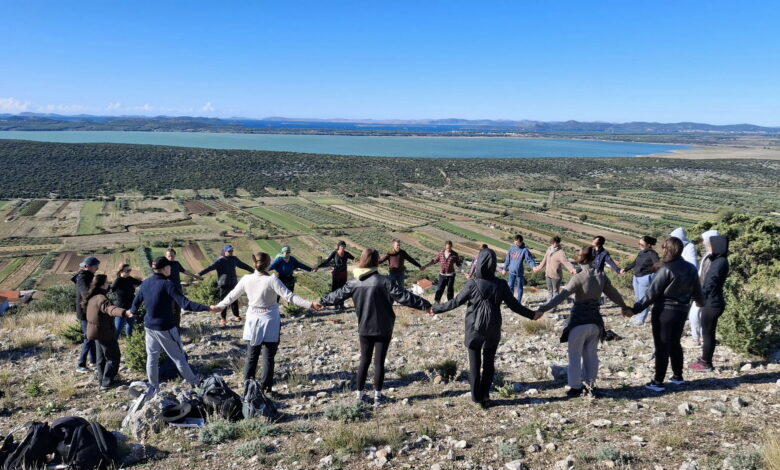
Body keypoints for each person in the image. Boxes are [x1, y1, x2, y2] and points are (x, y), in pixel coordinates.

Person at [320, 248, 431, 406]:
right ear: (376, 262)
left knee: (364, 361)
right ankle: (378, 397)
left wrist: (322, 302)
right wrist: (426, 305)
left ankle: (360, 396)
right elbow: (404, 297)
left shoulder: (354, 282)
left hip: (364, 327)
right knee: (379, 362)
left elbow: (337, 295)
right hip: (383, 327)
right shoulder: (385, 281)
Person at [431, 248, 536, 408]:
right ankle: (485, 396)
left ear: (479, 263)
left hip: (473, 329)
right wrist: (532, 315)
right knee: (488, 364)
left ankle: (476, 396)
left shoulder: (472, 284)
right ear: (493, 264)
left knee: (474, 365)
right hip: (493, 329)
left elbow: (455, 302)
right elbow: (515, 306)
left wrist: (435, 309)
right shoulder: (501, 284)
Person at [211, 252, 323, 395]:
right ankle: (266, 389)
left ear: (254, 264)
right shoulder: (272, 280)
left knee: (251, 355)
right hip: (270, 321)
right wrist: (310, 304)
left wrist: (219, 306)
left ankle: (248, 388)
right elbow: (290, 297)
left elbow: (232, 295)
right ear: (268, 265)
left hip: (253, 320)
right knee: (268, 357)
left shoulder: (246, 279)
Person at [534, 246, 631, 397]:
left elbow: (562, 296)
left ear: (580, 259)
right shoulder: (601, 275)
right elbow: (613, 293)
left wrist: (543, 309)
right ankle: (590, 384)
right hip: (596, 321)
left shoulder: (579, 277)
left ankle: (575, 387)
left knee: (574, 356)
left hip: (579, 320)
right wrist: (624, 307)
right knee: (591, 355)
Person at [625, 237, 703, 392]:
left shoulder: (666, 268)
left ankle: (658, 381)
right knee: (675, 343)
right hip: (682, 311)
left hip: (664, 311)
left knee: (661, 346)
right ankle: (678, 377)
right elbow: (697, 291)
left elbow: (651, 294)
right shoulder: (691, 268)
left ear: (667, 249)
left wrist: (634, 310)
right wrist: (701, 303)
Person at [131, 257, 211, 393]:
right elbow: (185, 304)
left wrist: (131, 311)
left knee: (152, 357)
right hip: (165, 328)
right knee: (179, 357)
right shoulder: (167, 284)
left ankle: (153, 387)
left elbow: (136, 301)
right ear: (165, 268)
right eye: (169, 267)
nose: (171, 270)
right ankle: (196, 383)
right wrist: (208, 308)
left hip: (149, 326)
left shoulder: (146, 282)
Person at [84, 274, 133, 390]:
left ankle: (102, 381)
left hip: (95, 331)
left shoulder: (92, 297)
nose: (109, 284)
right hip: (104, 332)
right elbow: (109, 309)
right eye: (107, 282)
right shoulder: (101, 298)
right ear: (102, 285)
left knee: (101, 359)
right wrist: (124, 312)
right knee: (114, 357)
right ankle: (107, 382)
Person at [690, 234, 729, 372]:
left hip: (711, 303)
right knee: (708, 333)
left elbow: (711, 281)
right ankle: (705, 359)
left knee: (707, 334)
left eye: (710, 245)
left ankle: (706, 363)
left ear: (717, 246)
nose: (708, 247)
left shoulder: (719, 262)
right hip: (713, 301)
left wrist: (701, 298)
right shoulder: (719, 260)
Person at [198, 245, 254, 326]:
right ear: (224, 251)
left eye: (232, 251)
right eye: (229, 251)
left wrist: (254, 271)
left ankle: (237, 316)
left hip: (233, 282)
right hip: (224, 283)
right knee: (223, 301)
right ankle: (223, 318)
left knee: (234, 299)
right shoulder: (220, 260)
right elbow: (210, 268)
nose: (231, 252)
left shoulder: (234, 259)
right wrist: (200, 273)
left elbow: (243, 265)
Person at [621, 236, 660, 326]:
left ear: (649, 245)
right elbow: (635, 262)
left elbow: (658, 265)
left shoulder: (653, 254)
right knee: (638, 298)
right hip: (636, 277)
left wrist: (653, 274)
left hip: (645, 278)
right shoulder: (641, 252)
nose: (640, 245)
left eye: (642, 244)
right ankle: (639, 316)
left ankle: (641, 320)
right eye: (639, 244)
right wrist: (626, 269)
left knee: (643, 299)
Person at [73, 256, 100, 373]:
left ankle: (93, 361)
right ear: (88, 266)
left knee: (92, 337)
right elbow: (85, 294)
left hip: (88, 311)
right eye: (95, 266)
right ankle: (80, 364)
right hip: (85, 312)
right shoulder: (83, 278)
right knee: (89, 337)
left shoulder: (87, 276)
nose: (97, 268)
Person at [165, 248, 202, 328]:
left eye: (172, 256)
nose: (170, 257)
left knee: (178, 309)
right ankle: (170, 328)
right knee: (170, 310)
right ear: (166, 256)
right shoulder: (164, 265)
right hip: (168, 291)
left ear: (175, 255)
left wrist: (194, 276)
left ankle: (177, 327)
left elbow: (184, 271)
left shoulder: (177, 263)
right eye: (169, 256)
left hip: (178, 289)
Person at [533, 236, 577, 302]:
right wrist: (538, 268)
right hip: (548, 274)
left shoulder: (561, 252)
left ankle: (554, 305)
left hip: (556, 276)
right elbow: (544, 260)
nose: (553, 244)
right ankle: (548, 305)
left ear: (558, 243)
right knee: (549, 291)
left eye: (554, 243)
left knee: (555, 291)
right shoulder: (549, 249)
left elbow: (566, 262)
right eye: (552, 243)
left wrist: (572, 269)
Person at [317, 241, 355, 311]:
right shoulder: (334, 253)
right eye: (341, 246)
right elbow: (327, 261)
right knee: (335, 288)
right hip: (336, 273)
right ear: (338, 246)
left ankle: (341, 305)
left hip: (343, 274)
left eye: (344, 246)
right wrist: (318, 266)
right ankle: (335, 305)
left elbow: (354, 259)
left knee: (343, 289)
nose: (342, 247)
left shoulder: (347, 254)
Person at [500, 235, 537, 303]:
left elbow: (529, 260)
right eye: (515, 242)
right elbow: (508, 259)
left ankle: (518, 302)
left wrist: (533, 266)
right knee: (510, 287)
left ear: (521, 242)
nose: (516, 244)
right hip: (511, 272)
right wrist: (504, 269)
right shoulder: (512, 248)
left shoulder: (524, 250)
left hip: (519, 273)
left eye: (517, 243)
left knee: (520, 288)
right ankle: (510, 301)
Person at [112, 264, 142, 338]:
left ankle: (129, 341)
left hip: (131, 307)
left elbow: (140, 283)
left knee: (130, 325)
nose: (129, 272)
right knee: (118, 329)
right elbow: (111, 289)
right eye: (127, 270)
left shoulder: (129, 278)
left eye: (130, 270)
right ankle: (113, 343)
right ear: (121, 271)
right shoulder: (118, 280)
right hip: (121, 308)